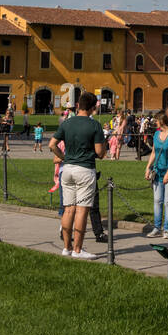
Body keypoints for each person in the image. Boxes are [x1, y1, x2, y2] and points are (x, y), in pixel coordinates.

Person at [49, 92, 106, 259]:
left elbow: (52, 144)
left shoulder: (67, 123)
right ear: (92, 107)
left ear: (79, 105)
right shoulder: (94, 125)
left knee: (68, 209)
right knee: (82, 210)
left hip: (67, 169)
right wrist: (103, 148)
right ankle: (77, 250)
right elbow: (100, 152)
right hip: (85, 169)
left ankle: (66, 247)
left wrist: (64, 157)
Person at [144, 112, 168, 238]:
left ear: (162, 121)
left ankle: (167, 229)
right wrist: (148, 168)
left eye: (156, 120)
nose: (155, 122)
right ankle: (157, 227)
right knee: (157, 200)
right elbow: (153, 152)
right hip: (157, 172)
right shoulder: (157, 134)